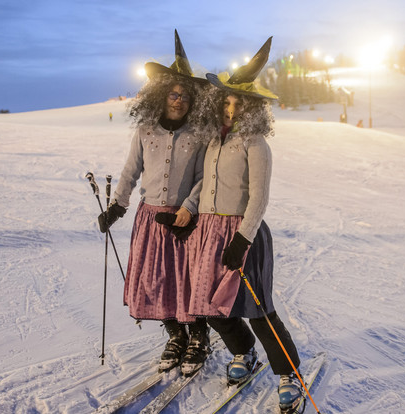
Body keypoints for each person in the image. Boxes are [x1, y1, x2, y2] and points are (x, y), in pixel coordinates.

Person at [187, 38, 306, 413]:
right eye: (225, 101)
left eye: (238, 103)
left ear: (251, 108)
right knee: (209, 307)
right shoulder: (214, 143)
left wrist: (242, 239)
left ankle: (289, 376)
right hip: (208, 233)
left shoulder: (255, 144)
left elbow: (259, 198)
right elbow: (204, 185)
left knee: (257, 309)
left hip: (245, 235)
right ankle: (243, 352)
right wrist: (189, 210)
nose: (230, 108)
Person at [98, 30, 218, 375]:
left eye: (184, 95)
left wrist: (190, 208)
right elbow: (130, 170)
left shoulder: (199, 134)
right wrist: (117, 207)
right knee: (158, 279)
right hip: (150, 217)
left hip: (184, 219)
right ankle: (175, 335)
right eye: (172, 93)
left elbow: (203, 178)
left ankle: (198, 337)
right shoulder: (146, 130)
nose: (178, 100)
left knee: (188, 280)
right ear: (160, 96)